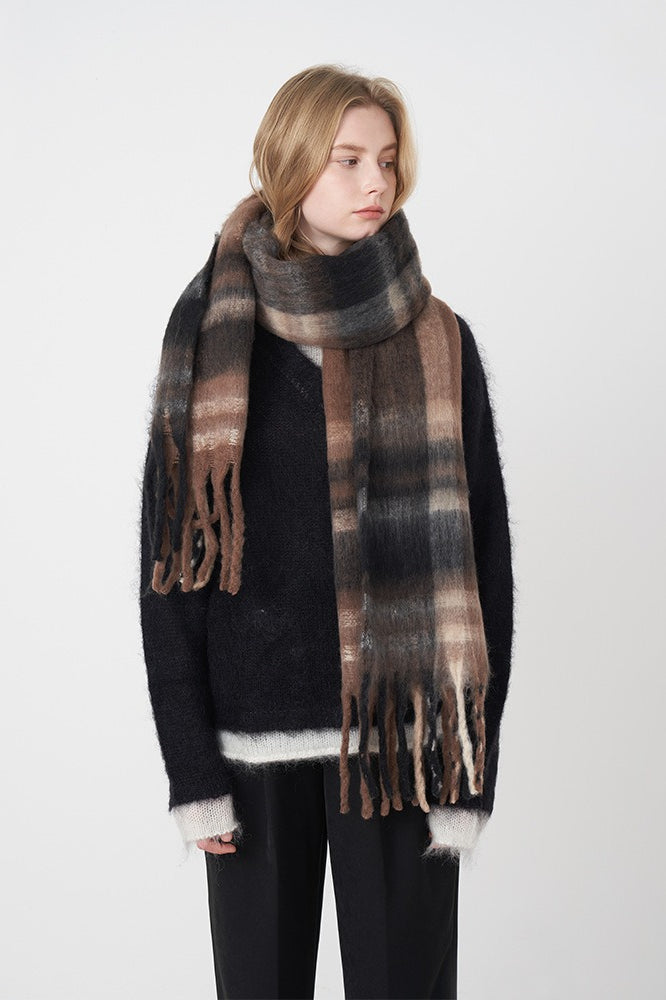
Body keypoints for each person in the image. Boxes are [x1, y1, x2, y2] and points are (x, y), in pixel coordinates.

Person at [138, 63, 514, 1000]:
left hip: (400, 746)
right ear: (291, 163)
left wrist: (468, 771)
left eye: (386, 159)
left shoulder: (441, 340)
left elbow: (486, 567)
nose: (375, 181)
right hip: (252, 749)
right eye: (347, 159)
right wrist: (194, 771)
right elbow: (170, 573)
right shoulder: (210, 340)